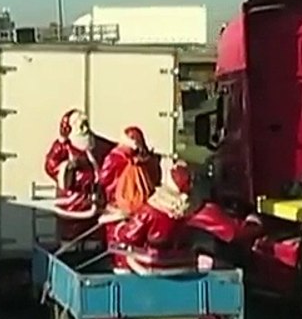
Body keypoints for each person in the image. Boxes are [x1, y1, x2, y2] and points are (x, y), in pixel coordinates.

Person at [109, 158, 199, 275]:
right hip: (184, 262)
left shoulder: (151, 210)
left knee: (119, 247)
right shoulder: (194, 208)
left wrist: (120, 227)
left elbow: (128, 236)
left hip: (155, 264)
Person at [42, 109, 113, 245]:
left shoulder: (96, 142)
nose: (82, 124)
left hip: (95, 197)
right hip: (73, 200)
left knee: (94, 230)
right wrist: (67, 167)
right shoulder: (63, 146)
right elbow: (51, 165)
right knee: (72, 231)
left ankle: (93, 248)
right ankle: (70, 248)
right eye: (77, 121)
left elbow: (113, 150)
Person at [98, 126, 162, 218]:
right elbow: (156, 179)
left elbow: (103, 180)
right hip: (143, 202)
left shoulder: (115, 158)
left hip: (118, 203)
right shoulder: (148, 160)